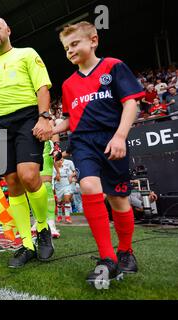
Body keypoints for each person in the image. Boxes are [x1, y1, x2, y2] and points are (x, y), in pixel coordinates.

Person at [54, 21, 145, 287]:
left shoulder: (113, 66)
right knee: (89, 185)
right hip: (83, 143)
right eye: (66, 48)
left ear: (93, 40)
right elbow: (70, 120)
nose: (70, 51)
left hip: (111, 139)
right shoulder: (69, 84)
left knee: (119, 199)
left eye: (74, 44)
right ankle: (107, 259)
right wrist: (51, 129)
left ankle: (125, 251)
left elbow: (131, 103)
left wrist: (120, 136)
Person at [0, 17, 54, 268]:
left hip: (28, 118)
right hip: (1, 125)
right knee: (12, 183)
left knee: (29, 175)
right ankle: (26, 244)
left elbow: (42, 87)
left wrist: (44, 117)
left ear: (8, 30)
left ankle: (43, 228)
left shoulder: (27, 54)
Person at [52, 154, 75, 224]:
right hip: (58, 187)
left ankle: (67, 217)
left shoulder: (66, 167)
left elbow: (72, 174)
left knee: (67, 200)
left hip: (67, 185)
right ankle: (59, 216)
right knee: (59, 202)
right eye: (58, 161)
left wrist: (71, 177)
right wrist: (56, 177)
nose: (59, 162)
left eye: (61, 160)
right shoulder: (53, 169)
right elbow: (53, 178)